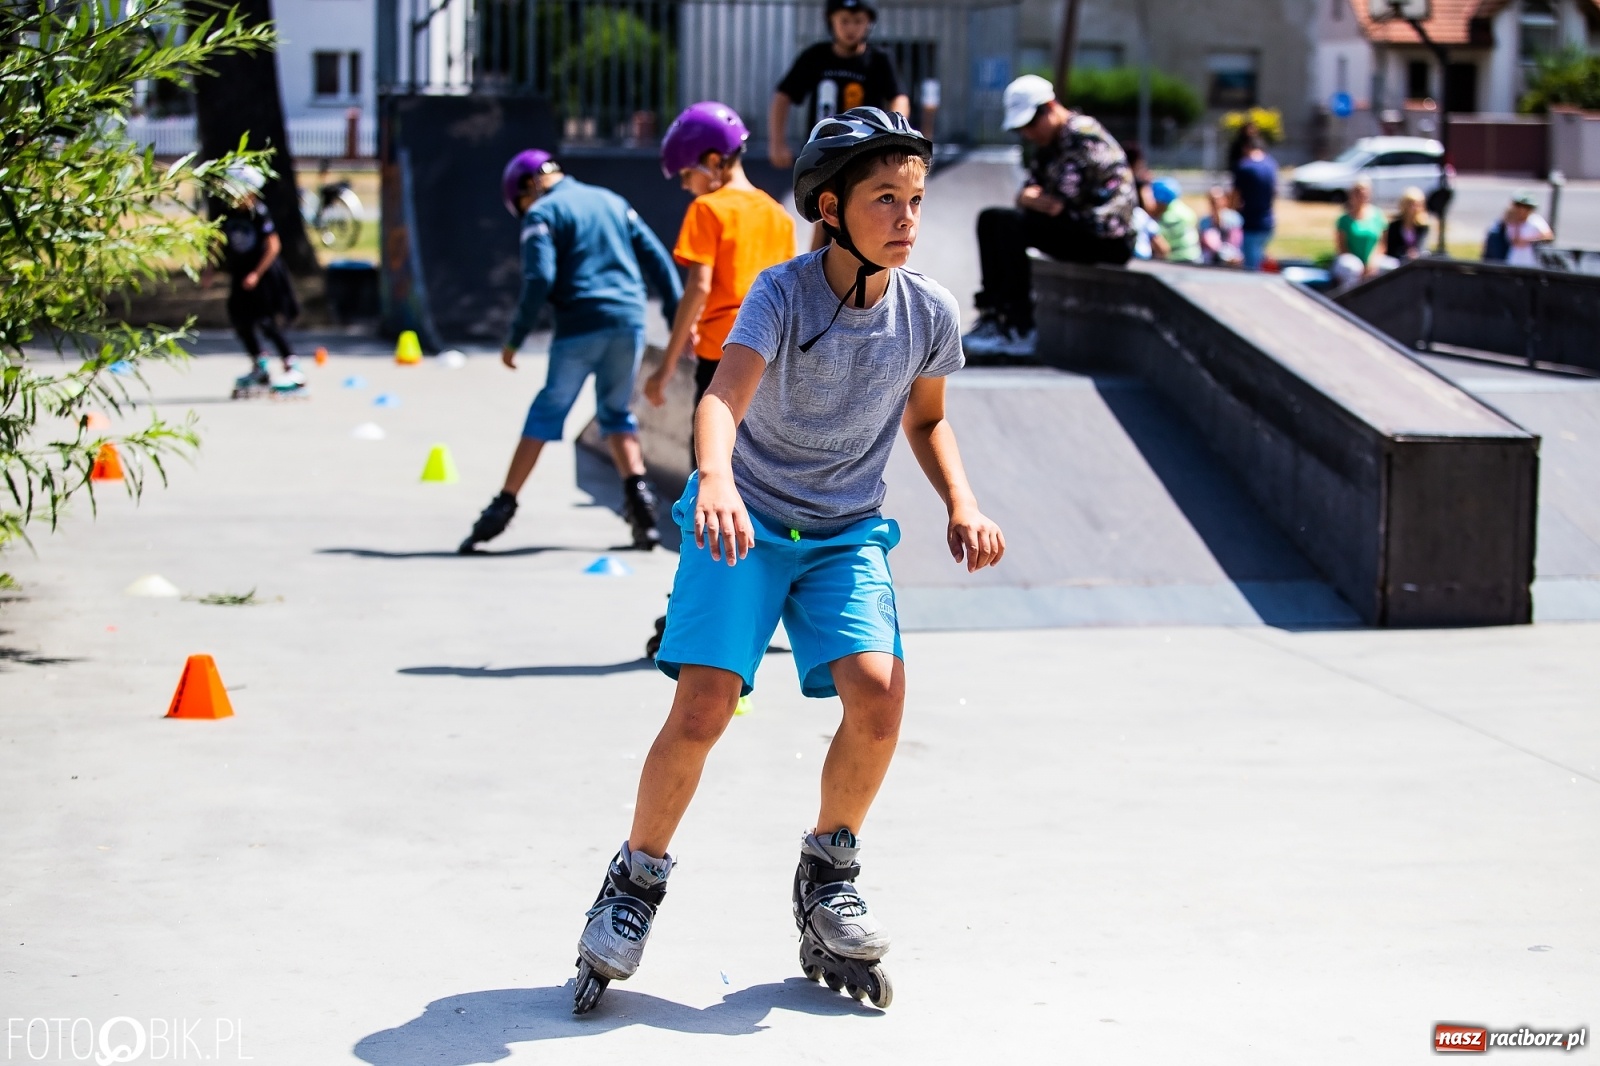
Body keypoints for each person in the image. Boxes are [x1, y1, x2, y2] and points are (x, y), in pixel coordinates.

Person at [570, 107, 1005, 1016]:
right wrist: (716, 479)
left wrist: (962, 501)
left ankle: (828, 875)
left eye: (916, 201)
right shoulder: (781, 292)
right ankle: (634, 881)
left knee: (880, 693)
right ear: (832, 206)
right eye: (886, 199)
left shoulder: (926, 308)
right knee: (703, 705)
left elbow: (927, 421)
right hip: (749, 521)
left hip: (845, 531)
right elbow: (724, 396)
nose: (906, 219)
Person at [457, 150, 683, 554]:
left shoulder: (542, 214)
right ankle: (643, 512)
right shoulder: (612, 201)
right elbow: (660, 262)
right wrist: (674, 316)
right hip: (629, 321)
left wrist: (515, 336)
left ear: (528, 187)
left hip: (579, 324)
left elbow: (539, 276)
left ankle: (501, 507)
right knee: (616, 415)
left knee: (547, 411)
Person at [645, 101, 797, 463]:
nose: (685, 186)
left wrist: (665, 369)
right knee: (759, 470)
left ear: (714, 162)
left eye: (685, 174)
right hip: (771, 361)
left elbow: (699, 286)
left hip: (722, 358)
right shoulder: (779, 217)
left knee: (710, 464)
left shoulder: (708, 209)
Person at [962, 75, 1136, 359]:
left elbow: (1061, 198)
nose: (1028, 133)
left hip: (1107, 236)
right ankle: (995, 317)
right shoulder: (1049, 144)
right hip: (1076, 224)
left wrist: (1033, 200)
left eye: (1031, 124)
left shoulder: (1082, 136)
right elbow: (1030, 194)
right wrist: (1029, 198)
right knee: (992, 218)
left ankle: (1019, 327)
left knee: (1010, 225)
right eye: (1022, 129)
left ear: (1051, 106)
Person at [769, 0, 909, 252]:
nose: (851, 28)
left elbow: (899, 96)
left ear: (869, 23)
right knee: (826, 216)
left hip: (866, 153)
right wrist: (777, 142)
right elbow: (783, 96)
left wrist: (895, 134)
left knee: (864, 215)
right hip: (824, 153)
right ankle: (815, 275)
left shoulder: (879, 59)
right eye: (844, 20)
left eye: (858, 21)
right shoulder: (816, 56)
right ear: (831, 21)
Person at [220, 165, 303, 397]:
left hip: (264, 274)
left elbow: (274, 246)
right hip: (241, 273)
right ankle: (260, 366)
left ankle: (292, 365)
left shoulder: (259, 212)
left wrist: (257, 273)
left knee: (267, 321)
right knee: (241, 320)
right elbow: (218, 240)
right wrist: (209, 268)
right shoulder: (229, 212)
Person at [1331, 177, 1389, 289]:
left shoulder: (1378, 216)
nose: (1362, 196)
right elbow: (1341, 247)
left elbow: (1381, 243)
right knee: (1353, 268)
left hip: (1372, 259)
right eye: (1358, 193)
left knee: (1392, 267)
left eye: (1365, 192)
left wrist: (1371, 262)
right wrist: (1361, 265)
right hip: (1350, 259)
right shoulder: (1344, 219)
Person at [1231, 132, 1277, 272]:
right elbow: (1274, 193)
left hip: (1250, 223)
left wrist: (1231, 212)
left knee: (1251, 269)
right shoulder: (1271, 164)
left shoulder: (1245, 166)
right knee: (1258, 260)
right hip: (1268, 222)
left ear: (1246, 148)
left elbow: (1235, 196)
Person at [1149, 177, 1201, 263]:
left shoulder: (1168, 218)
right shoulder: (1183, 209)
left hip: (1179, 260)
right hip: (1195, 256)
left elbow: (1160, 242)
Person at [1501, 190, 1555, 268]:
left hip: (1532, 259)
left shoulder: (1535, 220)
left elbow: (1548, 236)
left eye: (1525, 207)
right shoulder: (1512, 222)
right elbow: (1514, 241)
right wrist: (1517, 225)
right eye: (1518, 207)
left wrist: (1530, 241)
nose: (1521, 210)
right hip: (1514, 259)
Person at [1198, 185, 1244, 266]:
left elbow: (1235, 241)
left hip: (1232, 257)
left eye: (1217, 199)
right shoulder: (1204, 221)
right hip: (1210, 259)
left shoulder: (1234, 218)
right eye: (1212, 200)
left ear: (1224, 200)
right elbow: (1205, 242)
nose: (1215, 203)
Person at [1384, 186, 1430, 263]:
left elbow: (1422, 246)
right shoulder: (1394, 226)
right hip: (1398, 261)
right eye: (1411, 204)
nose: (1414, 208)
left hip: (1417, 262)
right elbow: (1391, 249)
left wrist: (1415, 253)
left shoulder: (1423, 227)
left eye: (1417, 205)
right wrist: (1406, 253)